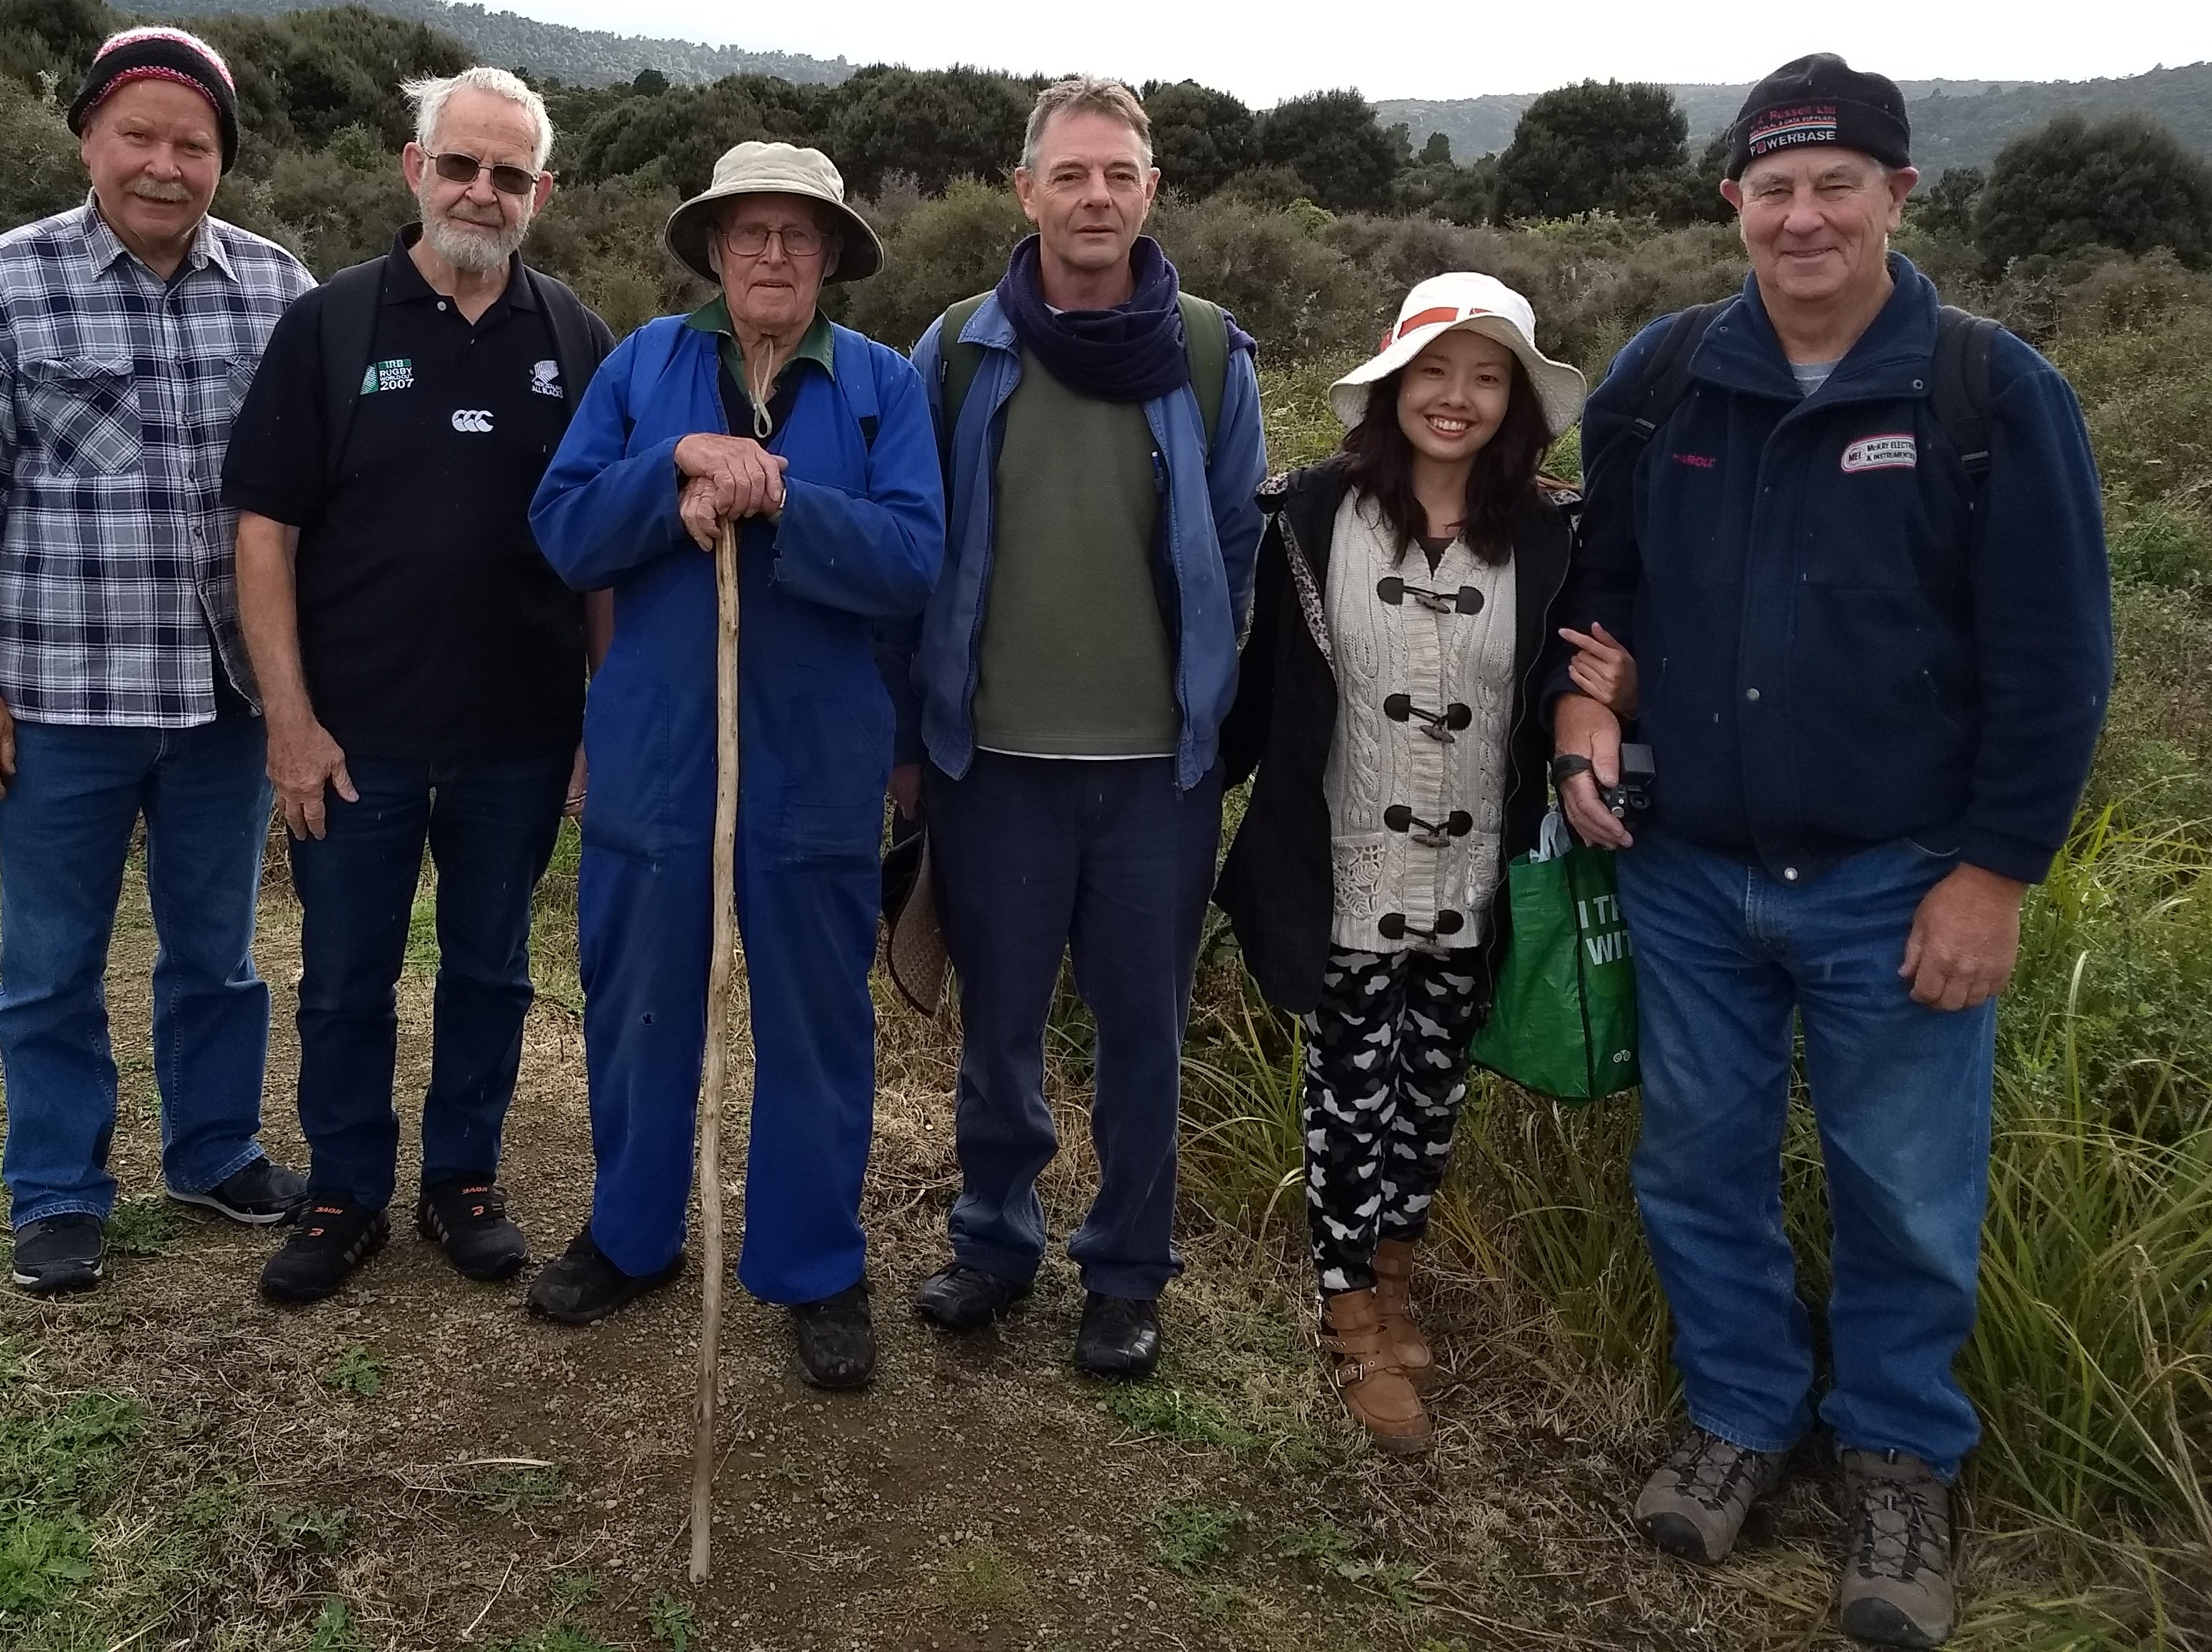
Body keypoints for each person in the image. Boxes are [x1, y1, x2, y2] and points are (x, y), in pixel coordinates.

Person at [1553, 56, 2113, 1650]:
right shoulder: (1665, 380)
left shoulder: (1990, 393)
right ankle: (1740, 1417)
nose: (1803, 217)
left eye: (1836, 185)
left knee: (1908, 1192)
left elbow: (2059, 657)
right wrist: (1581, 728)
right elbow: (1603, 607)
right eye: (1775, 187)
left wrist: (1995, 875)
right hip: (1691, 872)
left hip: (1900, 879)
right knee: (1696, 1167)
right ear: (1733, 199)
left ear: (1898, 196)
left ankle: (1897, 1465)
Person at [525, 141, 944, 1391]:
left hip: (817, 758)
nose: (773, 256)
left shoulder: (877, 388)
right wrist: (673, 472)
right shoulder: (643, 366)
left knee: (818, 1019)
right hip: (656, 748)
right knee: (640, 996)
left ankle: (813, 1262)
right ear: (713, 248)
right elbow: (560, 527)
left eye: (799, 236)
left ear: (830, 257)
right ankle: (634, 1232)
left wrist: (780, 502)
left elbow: (915, 558)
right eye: (749, 233)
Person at [0, 26, 314, 1297]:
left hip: (224, 701)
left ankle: (213, 1151)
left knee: (219, 952)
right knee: (50, 963)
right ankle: (59, 1192)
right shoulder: (2, 287)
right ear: (88, 137)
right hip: (59, 697)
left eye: (193, 144)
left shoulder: (277, 292)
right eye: (138, 135)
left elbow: (318, 496)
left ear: (222, 161)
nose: (164, 164)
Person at [221, 66, 616, 1305]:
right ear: (415, 170)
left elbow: (602, 550)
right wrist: (287, 719)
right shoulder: (332, 325)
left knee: (492, 969)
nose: (482, 193)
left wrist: (600, 720)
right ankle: (345, 1194)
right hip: (355, 737)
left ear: (540, 192)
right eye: (462, 167)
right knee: (347, 972)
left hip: (520, 732)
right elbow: (263, 534)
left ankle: (465, 1181)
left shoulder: (576, 338)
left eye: (509, 175)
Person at [1213, 273, 1625, 1451]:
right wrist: (1188, 803)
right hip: (1344, 860)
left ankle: (1396, 1270)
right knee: (1347, 1092)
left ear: (1517, 401)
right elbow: (1255, 693)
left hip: (1473, 876)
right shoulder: (1308, 517)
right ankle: (1349, 1308)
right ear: (1393, 383)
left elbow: (1574, 682)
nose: (1458, 398)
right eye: (1436, 372)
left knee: (1434, 1094)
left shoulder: (1556, 535)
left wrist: (1620, 707)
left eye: (1487, 377)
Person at [899, 76, 1268, 1381]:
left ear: (1151, 189)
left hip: (1157, 772)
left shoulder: (1213, 352)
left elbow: (1236, 548)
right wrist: (912, 742)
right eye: (1070, 175)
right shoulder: (953, 352)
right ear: (1026, 191)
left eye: (1118, 173)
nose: (1095, 196)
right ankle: (993, 1244)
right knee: (998, 1027)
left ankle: (1125, 1272)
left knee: (1141, 1037)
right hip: (992, 762)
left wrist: (1218, 719)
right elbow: (919, 550)